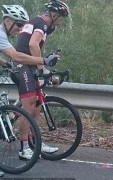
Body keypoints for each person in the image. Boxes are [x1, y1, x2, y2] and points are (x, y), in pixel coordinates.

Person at [11, 0, 69, 160]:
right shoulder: (42, 24)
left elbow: (35, 47)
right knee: (28, 108)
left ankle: (35, 143)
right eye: (60, 19)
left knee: (36, 106)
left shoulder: (37, 21)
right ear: (54, 14)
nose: (60, 23)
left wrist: (44, 63)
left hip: (28, 66)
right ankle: (24, 148)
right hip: (22, 66)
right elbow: (33, 44)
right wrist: (42, 68)